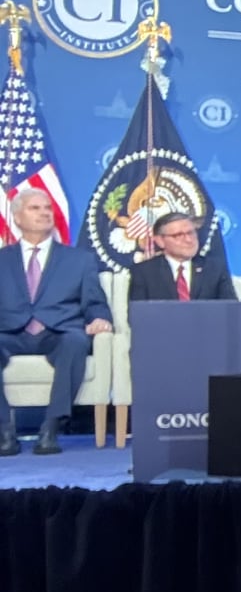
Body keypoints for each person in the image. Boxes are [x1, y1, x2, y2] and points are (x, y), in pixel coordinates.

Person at [0, 188, 112, 455]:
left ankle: (51, 427)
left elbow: (94, 301)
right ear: (17, 217)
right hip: (9, 332)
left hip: (59, 331)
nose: (44, 213)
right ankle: (4, 430)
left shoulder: (79, 260)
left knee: (76, 341)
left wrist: (100, 319)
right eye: (35, 208)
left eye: (47, 208)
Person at [128, 212, 237, 301]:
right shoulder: (144, 272)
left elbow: (230, 310)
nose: (189, 240)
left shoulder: (214, 268)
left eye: (191, 233)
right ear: (160, 241)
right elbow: (138, 315)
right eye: (178, 235)